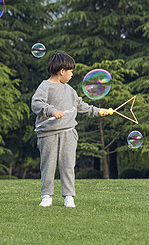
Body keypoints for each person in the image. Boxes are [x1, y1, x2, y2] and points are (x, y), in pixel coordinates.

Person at [31, 52, 110, 208]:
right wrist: (51, 110)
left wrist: (98, 111)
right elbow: (36, 103)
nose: (72, 75)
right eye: (71, 71)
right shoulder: (45, 86)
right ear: (62, 71)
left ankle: (69, 196)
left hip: (68, 133)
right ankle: (47, 196)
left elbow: (81, 106)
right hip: (48, 134)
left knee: (68, 165)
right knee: (48, 166)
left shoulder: (70, 90)